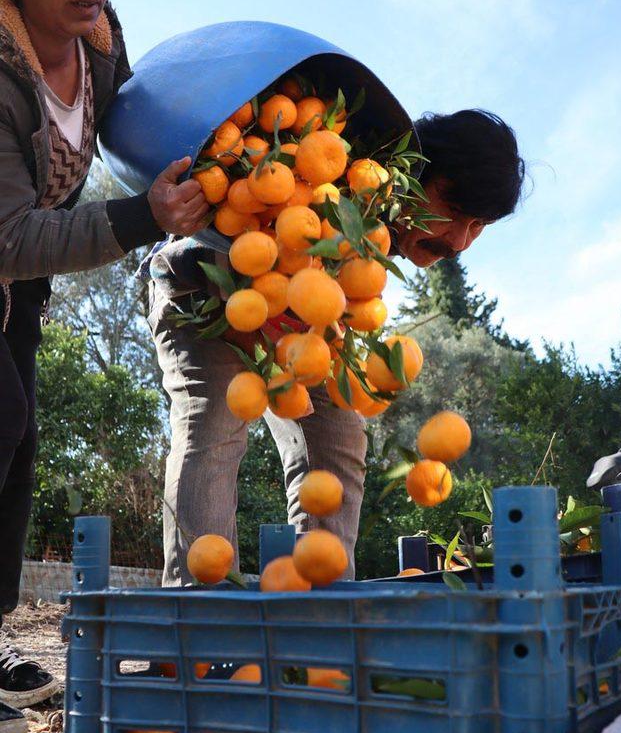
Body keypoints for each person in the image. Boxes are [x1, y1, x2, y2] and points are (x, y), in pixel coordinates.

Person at [146, 108, 525, 590]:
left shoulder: (375, 217)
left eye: (478, 226)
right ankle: (196, 624)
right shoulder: (337, 171)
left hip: (291, 320)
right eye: (456, 214)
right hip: (202, 285)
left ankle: (321, 618)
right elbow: (246, 241)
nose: (460, 241)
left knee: (340, 435)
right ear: (420, 176)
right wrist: (265, 357)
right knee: (216, 424)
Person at [0, 0, 210, 733]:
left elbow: (143, 124)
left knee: (17, 449)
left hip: (15, 286)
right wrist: (142, 219)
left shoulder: (99, 38)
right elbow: (11, 234)